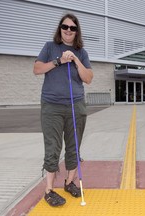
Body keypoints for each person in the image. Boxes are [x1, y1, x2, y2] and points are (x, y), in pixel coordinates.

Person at [33, 13, 93, 207]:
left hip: (76, 105)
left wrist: (75, 59)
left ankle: (69, 182)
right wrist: (59, 61)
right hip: (52, 106)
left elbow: (88, 78)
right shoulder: (50, 47)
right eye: (65, 26)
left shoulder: (81, 52)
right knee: (53, 148)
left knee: (74, 146)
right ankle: (49, 190)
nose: (68, 30)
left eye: (72, 28)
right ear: (60, 28)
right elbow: (37, 69)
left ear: (77, 32)